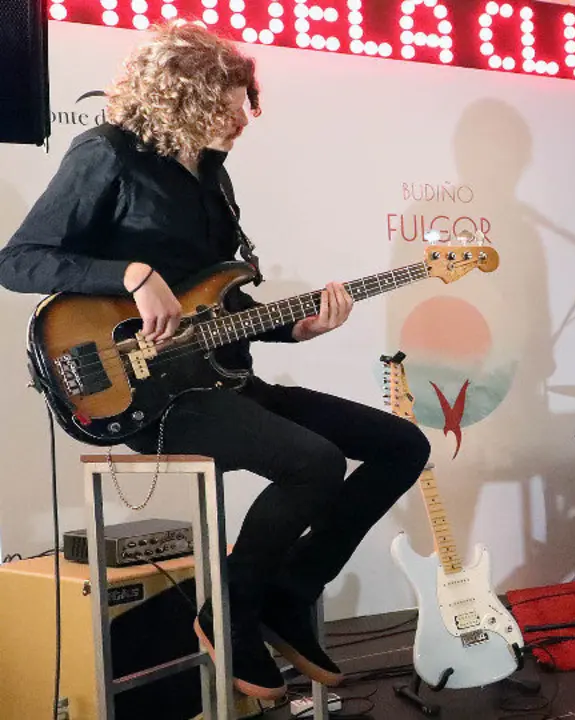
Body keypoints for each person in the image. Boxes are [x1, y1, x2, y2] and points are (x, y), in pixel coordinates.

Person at [0, 23, 431, 698]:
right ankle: (228, 613)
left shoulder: (215, 178)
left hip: (222, 379)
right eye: (231, 103)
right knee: (312, 461)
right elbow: (19, 261)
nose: (243, 120)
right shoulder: (108, 153)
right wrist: (132, 274)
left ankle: (290, 591)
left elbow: (220, 311)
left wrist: (299, 328)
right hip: (145, 395)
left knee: (401, 444)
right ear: (184, 95)